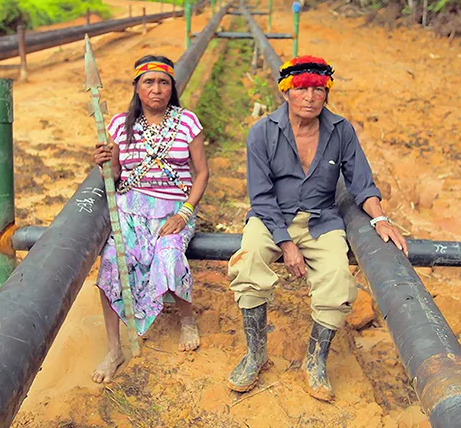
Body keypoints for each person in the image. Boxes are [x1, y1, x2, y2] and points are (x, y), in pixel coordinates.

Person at [227, 56, 408, 401]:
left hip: (320, 218)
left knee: (339, 280)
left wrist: (379, 217)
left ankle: (315, 360)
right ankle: (255, 354)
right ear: (286, 93)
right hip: (271, 217)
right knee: (247, 264)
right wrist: (286, 244)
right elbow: (261, 196)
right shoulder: (263, 132)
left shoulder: (341, 130)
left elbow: (361, 182)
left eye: (318, 89)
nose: (310, 97)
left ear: (327, 93)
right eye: (301, 89)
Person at [91, 55, 209, 383]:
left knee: (169, 253)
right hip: (129, 210)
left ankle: (186, 319)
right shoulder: (118, 125)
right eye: (148, 82)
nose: (156, 89)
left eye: (163, 83)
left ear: (172, 88)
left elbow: (202, 173)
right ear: (137, 88)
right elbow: (115, 176)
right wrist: (104, 162)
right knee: (112, 261)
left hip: (173, 210)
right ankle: (114, 349)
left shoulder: (187, 122)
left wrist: (185, 213)